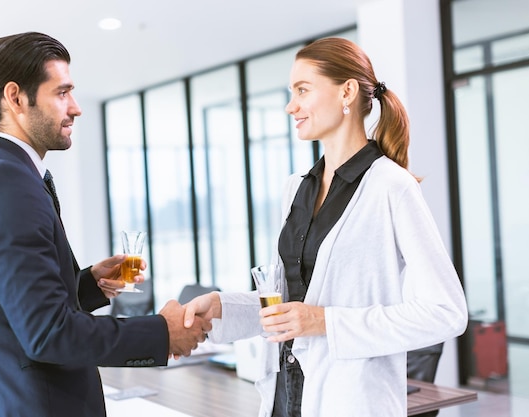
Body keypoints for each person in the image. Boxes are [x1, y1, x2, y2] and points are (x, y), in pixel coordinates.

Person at [183, 37, 468, 417]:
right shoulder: (296, 187)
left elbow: (446, 312)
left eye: (303, 90)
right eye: (291, 92)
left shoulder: (390, 186)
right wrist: (221, 307)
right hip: (285, 397)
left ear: (347, 91)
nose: (290, 106)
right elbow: (287, 306)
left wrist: (326, 322)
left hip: (351, 402)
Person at [0, 32, 209, 417]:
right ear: (15, 97)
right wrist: (162, 331)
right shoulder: (6, 186)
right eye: (62, 92)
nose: (76, 108)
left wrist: (86, 285)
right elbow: (47, 333)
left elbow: (13, 308)